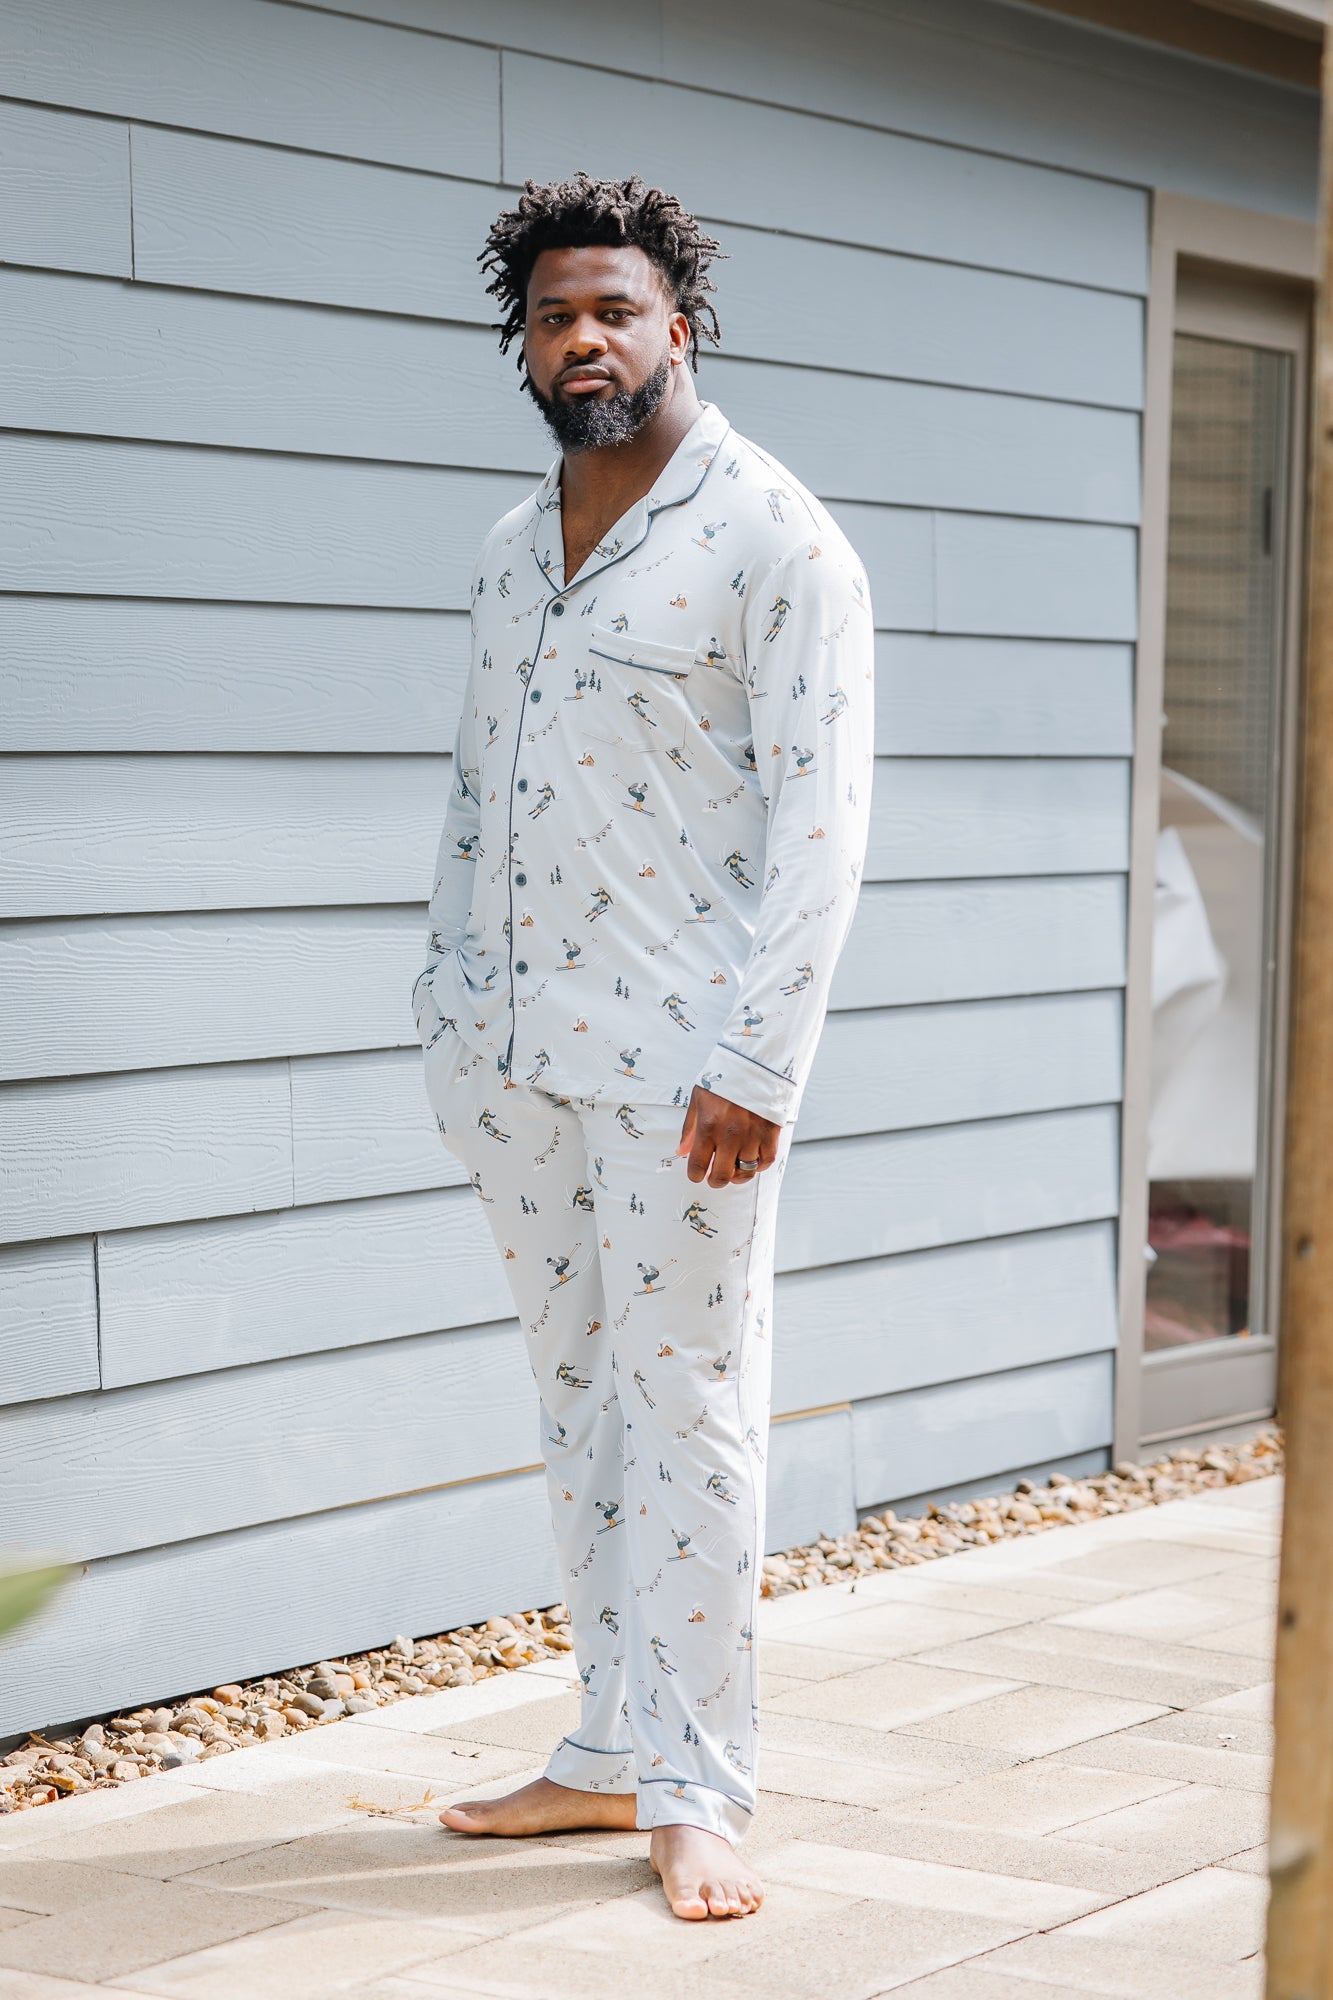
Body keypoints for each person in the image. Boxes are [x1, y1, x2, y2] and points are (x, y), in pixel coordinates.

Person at [412, 172, 874, 1922]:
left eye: (613, 308)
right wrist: (449, 1015)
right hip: (518, 1061)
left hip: (689, 1077)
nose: (582, 337)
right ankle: (608, 1750)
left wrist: (759, 1065)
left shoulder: (774, 538)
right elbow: (474, 800)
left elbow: (827, 830)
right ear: (521, 341)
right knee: (578, 1405)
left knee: (688, 1415)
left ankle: (697, 1789)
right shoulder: (510, 547)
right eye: (551, 314)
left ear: (681, 324)